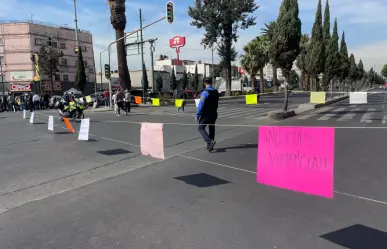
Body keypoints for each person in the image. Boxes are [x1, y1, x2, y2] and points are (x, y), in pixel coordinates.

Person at [196, 77, 219, 152]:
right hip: (214, 113)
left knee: (201, 128)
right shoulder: (216, 92)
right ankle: (210, 145)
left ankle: (209, 142)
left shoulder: (205, 92)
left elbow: (201, 104)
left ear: (204, 83)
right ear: (211, 82)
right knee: (211, 128)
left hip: (206, 114)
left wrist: (197, 115)